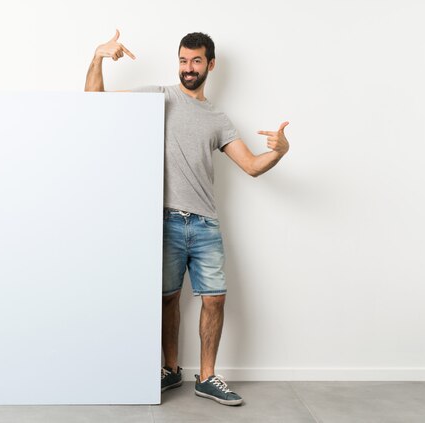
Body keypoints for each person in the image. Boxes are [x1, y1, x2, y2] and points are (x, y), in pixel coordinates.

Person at [85, 30, 289, 406]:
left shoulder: (219, 119)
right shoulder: (160, 97)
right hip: (164, 222)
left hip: (205, 224)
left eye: (196, 61)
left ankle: (207, 377)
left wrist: (279, 152)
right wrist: (97, 57)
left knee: (215, 300)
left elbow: (252, 166)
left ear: (210, 64)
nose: (188, 68)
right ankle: (171, 370)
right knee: (167, 299)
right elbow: (94, 103)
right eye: (183, 60)